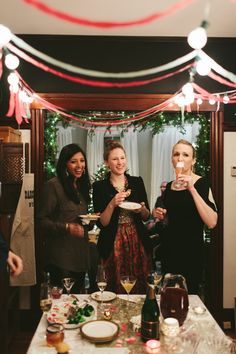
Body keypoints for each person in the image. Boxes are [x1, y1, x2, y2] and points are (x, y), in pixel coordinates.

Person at [152, 139, 217, 294]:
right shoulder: (169, 186)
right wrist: (160, 215)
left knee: (189, 298)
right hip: (169, 251)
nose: (180, 158)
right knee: (169, 299)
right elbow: (169, 220)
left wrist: (192, 189)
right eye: (176, 154)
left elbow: (212, 222)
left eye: (185, 155)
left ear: (193, 160)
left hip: (191, 253)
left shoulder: (201, 184)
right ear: (172, 159)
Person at [92, 141, 153, 294]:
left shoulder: (137, 182)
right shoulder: (99, 187)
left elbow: (147, 217)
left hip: (136, 239)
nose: (120, 162)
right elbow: (103, 223)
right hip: (112, 241)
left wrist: (142, 209)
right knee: (114, 285)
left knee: (139, 284)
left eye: (122, 158)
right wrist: (112, 203)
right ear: (107, 162)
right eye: (115, 159)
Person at [37, 143, 97, 293]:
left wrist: (90, 221)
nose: (79, 165)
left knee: (77, 303)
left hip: (80, 258)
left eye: (82, 161)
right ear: (65, 164)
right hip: (61, 260)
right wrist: (66, 227)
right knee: (63, 307)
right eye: (73, 161)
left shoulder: (81, 187)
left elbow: (81, 223)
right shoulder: (53, 186)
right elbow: (40, 221)